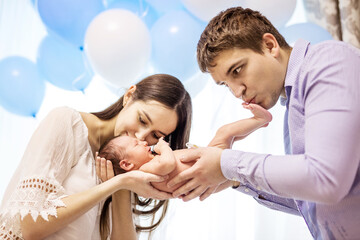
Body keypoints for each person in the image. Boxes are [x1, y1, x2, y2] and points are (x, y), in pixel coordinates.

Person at [167, 6, 360, 240]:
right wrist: (234, 178)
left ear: (270, 45)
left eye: (237, 70)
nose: (237, 92)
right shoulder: (293, 103)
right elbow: (310, 201)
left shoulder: (328, 60)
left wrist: (226, 162)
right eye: (226, 85)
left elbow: (327, 180)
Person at [0, 74, 192, 240]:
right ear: (129, 96)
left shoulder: (131, 167)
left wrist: (123, 186)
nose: (142, 137)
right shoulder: (67, 124)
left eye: (156, 136)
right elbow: (30, 228)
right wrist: (117, 183)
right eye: (142, 120)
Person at [98, 102, 272, 193]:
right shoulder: (144, 171)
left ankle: (259, 123)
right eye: (136, 144)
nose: (144, 141)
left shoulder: (147, 164)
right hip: (208, 176)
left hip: (208, 168)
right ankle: (259, 121)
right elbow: (168, 164)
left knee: (227, 136)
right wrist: (163, 147)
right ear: (127, 164)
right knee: (225, 134)